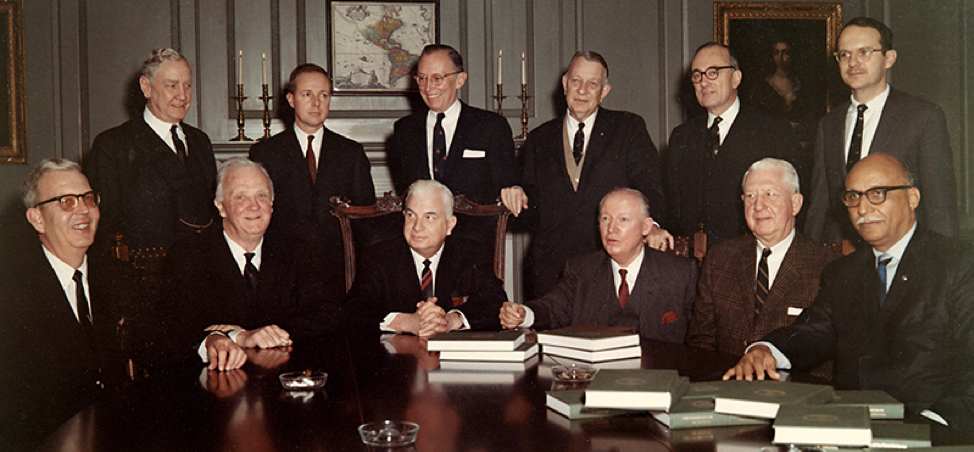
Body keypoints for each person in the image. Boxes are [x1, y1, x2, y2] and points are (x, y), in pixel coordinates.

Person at [725, 153, 974, 432]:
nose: (863, 208)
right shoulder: (844, 272)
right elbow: (813, 332)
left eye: (877, 194)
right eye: (853, 197)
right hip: (851, 426)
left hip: (933, 428)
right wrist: (766, 349)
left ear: (913, 198)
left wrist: (934, 422)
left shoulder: (959, 264)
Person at [0, 159, 144, 449]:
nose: (83, 210)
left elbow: (158, 339)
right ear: (36, 218)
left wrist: (217, 338)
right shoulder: (10, 293)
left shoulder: (119, 275)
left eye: (88, 198)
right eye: (65, 201)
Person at [501, 51, 665, 299]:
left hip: (609, 266)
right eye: (576, 81)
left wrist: (651, 227)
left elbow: (650, 187)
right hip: (550, 273)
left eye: (592, 84)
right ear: (565, 84)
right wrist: (516, 194)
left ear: (604, 91)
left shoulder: (628, 129)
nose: (582, 91)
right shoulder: (538, 139)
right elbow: (530, 211)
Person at [155, 158, 342, 371]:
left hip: (282, 377)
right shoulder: (189, 255)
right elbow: (170, 330)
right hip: (215, 384)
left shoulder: (296, 250)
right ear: (221, 207)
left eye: (261, 195)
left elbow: (328, 313)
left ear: (272, 204)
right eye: (241, 197)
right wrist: (238, 337)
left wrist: (264, 333)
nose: (254, 206)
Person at [805, 17, 957, 245]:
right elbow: (820, 204)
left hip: (904, 257)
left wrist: (943, 269)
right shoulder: (829, 124)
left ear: (889, 58)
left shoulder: (923, 117)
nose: (853, 62)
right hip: (842, 260)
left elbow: (940, 206)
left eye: (864, 52)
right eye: (844, 54)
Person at [687, 159, 838, 367]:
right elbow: (701, 343)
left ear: (796, 204)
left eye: (770, 194)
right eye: (750, 196)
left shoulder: (828, 266)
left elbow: (829, 358)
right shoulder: (720, 259)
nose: (758, 206)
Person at [500, 188, 695, 343]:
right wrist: (523, 314)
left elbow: (698, 340)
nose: (611, 229)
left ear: (646, 227)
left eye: (623, 219)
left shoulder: (680, 274)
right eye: (605, 219)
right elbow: (553, 308)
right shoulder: (581, 269)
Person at [664, 42, 803, 248]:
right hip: (695, 260)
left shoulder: (772, 130)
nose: (704, 82)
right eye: (697, 75)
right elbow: (673, 207)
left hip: (751, 257)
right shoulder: (681, 137)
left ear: (736, 78)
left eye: (713, 72)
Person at [84, 48, 217, 255]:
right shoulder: (113, 145)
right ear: (146, 88)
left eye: (187, 85)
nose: (183, 95)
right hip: (145, 273)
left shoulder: (200, 141)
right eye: (172, 86)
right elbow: (106, 226)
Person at [250, 63, 374, 281]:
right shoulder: (266, 153)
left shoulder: (351, 153)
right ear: (291, 100)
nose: (316, 103)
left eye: (323, 95)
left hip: (338, 273)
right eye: (307, 94)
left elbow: (364, 221)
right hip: (282, 273)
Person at [346, 180, 508, 337]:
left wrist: (452, 320)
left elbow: (495, 302)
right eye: (411, 215)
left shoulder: (471, 253)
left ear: (449, 225)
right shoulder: (379, 256)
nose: (417, 227)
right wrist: (406, 322)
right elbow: (354, 308)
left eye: (429, 217)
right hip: (397, 357)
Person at [390, 44, 517, 207]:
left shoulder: (490, 126)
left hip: (474, 230)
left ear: (459, 80)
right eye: (422, 78)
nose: (428, 88)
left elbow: (508, 186)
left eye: (437, 78)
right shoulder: (404, 130)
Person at [747, 39, 820, 147]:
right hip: (769, 146)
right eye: (776, 53)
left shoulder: (802, 88)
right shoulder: (762, 88)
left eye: (786, 53)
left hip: (798, 146)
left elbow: (811, 122)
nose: (780, 58)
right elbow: (755, 122)